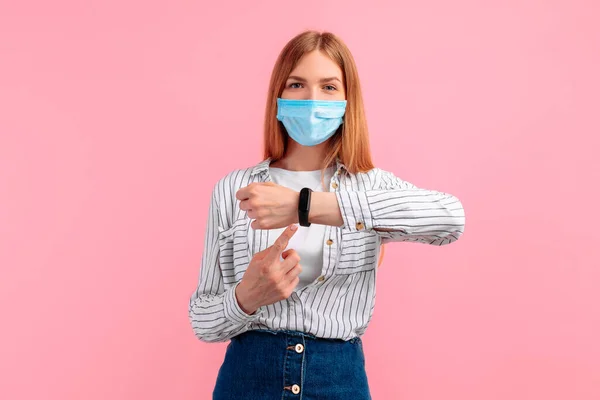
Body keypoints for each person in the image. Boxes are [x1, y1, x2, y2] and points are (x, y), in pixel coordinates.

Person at [188, 30, 466, 400]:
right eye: (297, 84)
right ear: (279, 96)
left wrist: (307, 206)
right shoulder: (234, 189)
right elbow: (203, 321)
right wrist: (246, 296)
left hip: (338, 381)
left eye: (329, 87)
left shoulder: (371, 185)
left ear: (349, 100)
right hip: (247, 380)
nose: (312, 99)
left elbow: (450, 219)